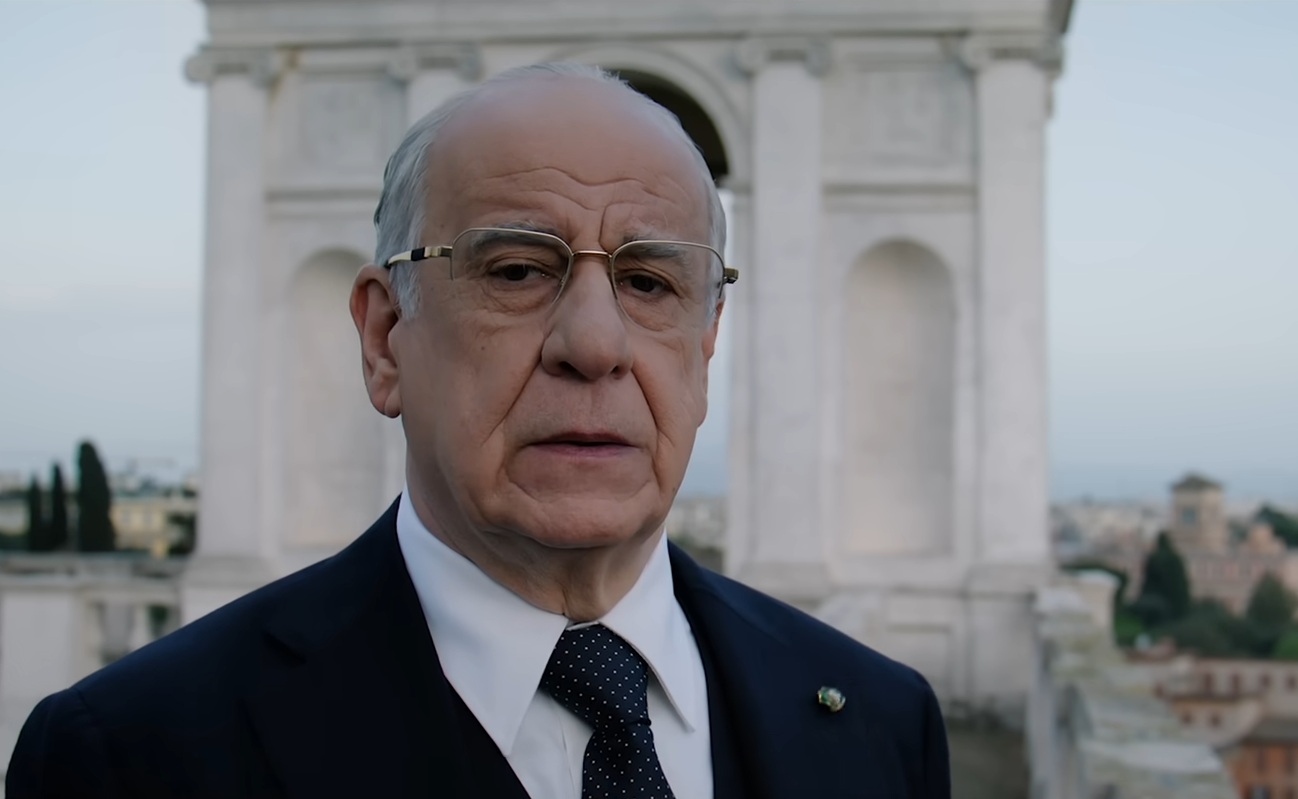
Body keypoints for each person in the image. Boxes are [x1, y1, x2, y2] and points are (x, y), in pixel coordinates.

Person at [6, 63, 950, 798]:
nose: (595, 344)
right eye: (517, 270)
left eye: (649, 281)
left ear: (706, 346)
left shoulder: (880, 720)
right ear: (385, 338)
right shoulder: (131, 757)